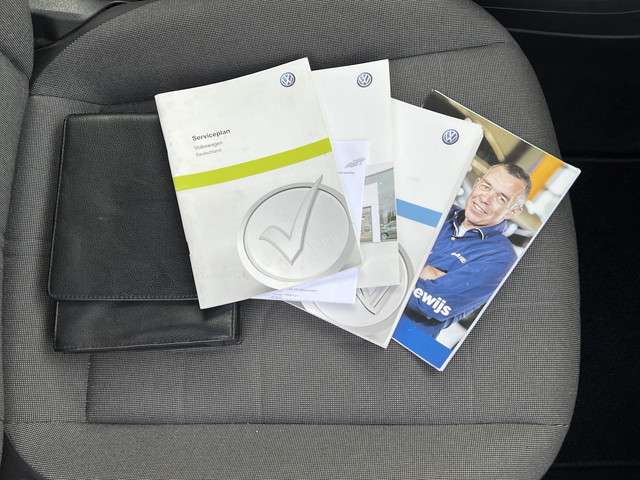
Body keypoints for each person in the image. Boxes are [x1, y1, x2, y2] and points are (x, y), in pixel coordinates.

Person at [405, 163, 532, 340]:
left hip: (405, 337)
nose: (485, 198)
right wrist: (425, 272)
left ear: (513, 211)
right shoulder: (440, 210)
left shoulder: (501, 259)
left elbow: (432, 304)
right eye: (486, 187)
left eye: (501, 198)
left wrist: (400, 261)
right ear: (477, 183)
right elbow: (380, 239)